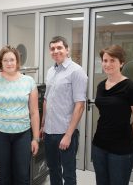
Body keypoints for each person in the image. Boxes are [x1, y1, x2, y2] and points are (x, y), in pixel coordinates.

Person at [0, 45, 40, 185]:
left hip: (23, 134)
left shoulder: (28, 82)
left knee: (22, 176)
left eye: (12, 60)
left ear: (17, 61)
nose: (9, 63)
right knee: (4, 177)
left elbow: (34, 112)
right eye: (5, 60)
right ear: (0, 63)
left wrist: (35, 138)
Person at [92, 45, 133, 185]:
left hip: (121, 150)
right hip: (99, 145)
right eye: (105, 60)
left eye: (112, 60)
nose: (107, 64)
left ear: (121, 63)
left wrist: (124, 134)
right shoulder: (101, 85)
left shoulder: (131, 88)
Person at [40, 36, 88, 185]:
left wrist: (68, 135)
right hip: (49, 131)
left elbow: (80, 105)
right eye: (53, 48)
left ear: (67, 50)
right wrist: (43, 125)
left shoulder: (77, 71)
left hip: (65, 132)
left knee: (68, 173)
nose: (56, 51)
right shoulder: (50, 71)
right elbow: (46, 100)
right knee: (53, 169)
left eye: (59, 48)